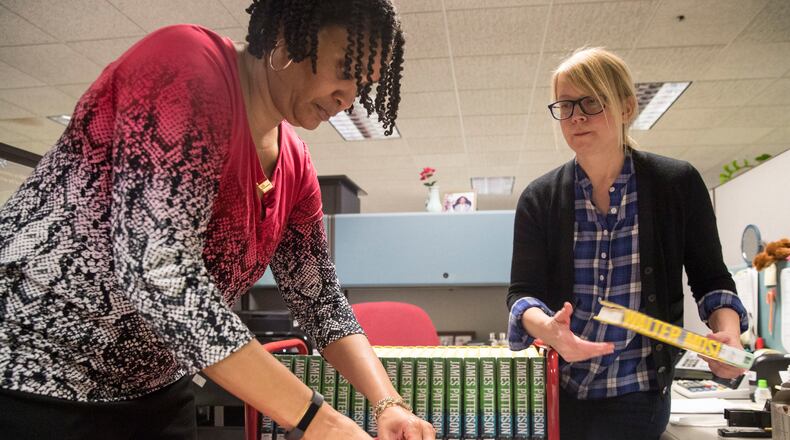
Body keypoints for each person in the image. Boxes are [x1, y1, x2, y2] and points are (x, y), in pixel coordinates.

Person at [0, 1, 435, 439]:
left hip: (156, 390)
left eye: (362, 84)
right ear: (285, 34)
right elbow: (160, 272)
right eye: (345, 68)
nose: (348, 98)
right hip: (36, 373)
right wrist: (318, 421)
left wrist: (389, 405)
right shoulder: (184, 65)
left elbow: (320, 300)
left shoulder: (295, 166)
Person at [506, 47, 748, 440]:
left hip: (638, 391)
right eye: (565, 105)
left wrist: (729, 336)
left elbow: (712, 281)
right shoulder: (540, 198)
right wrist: (548, 329)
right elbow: (522, 296)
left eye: (592, 102)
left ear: (627, 107)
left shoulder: (677, 184)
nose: (577, 116)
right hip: (558, 390)